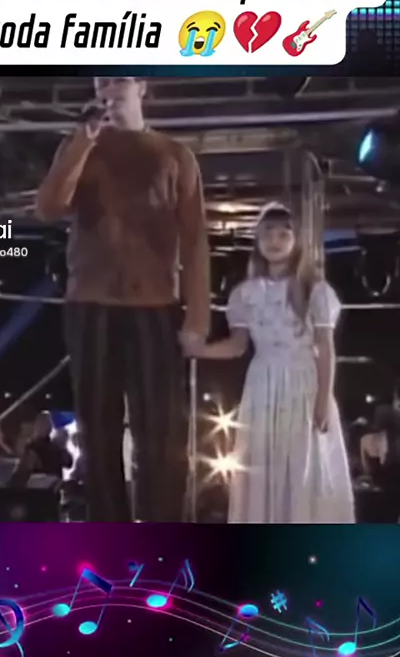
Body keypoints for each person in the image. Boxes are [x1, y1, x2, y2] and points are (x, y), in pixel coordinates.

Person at [36, 76, 210, 521]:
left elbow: (194, 240)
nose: (109, 89)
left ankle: (161, 532)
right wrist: (82, 142)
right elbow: (49, 208)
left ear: (142, 87)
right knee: (98, 430)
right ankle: (108, 535)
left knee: (161, 432)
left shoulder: (174, 155)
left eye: (119, 80)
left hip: (154, 304)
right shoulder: (81, 144)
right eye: (102, 81)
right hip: (90, 303)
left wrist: (198, 316)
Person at [189, 202, 355, 523]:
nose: (275, 241)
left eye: (283, 234)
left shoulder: (314, 290)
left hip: (302, 383)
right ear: (257, 239)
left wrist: (322, 399)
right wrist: (199, 350)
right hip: (263, 384)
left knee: (303, 461)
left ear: (296, 240)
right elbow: (237, 345)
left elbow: (325, 348)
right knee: (263, 462)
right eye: (267, 233)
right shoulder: (245, 294)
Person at [24, 411, 73, 478]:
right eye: (42, 424)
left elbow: (68, 463)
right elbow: (27, 468)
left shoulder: (56, 446)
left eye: (47, 424)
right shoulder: (31, 446)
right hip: (38, 482)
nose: (45, 427)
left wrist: (63, 447)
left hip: (54, 482)